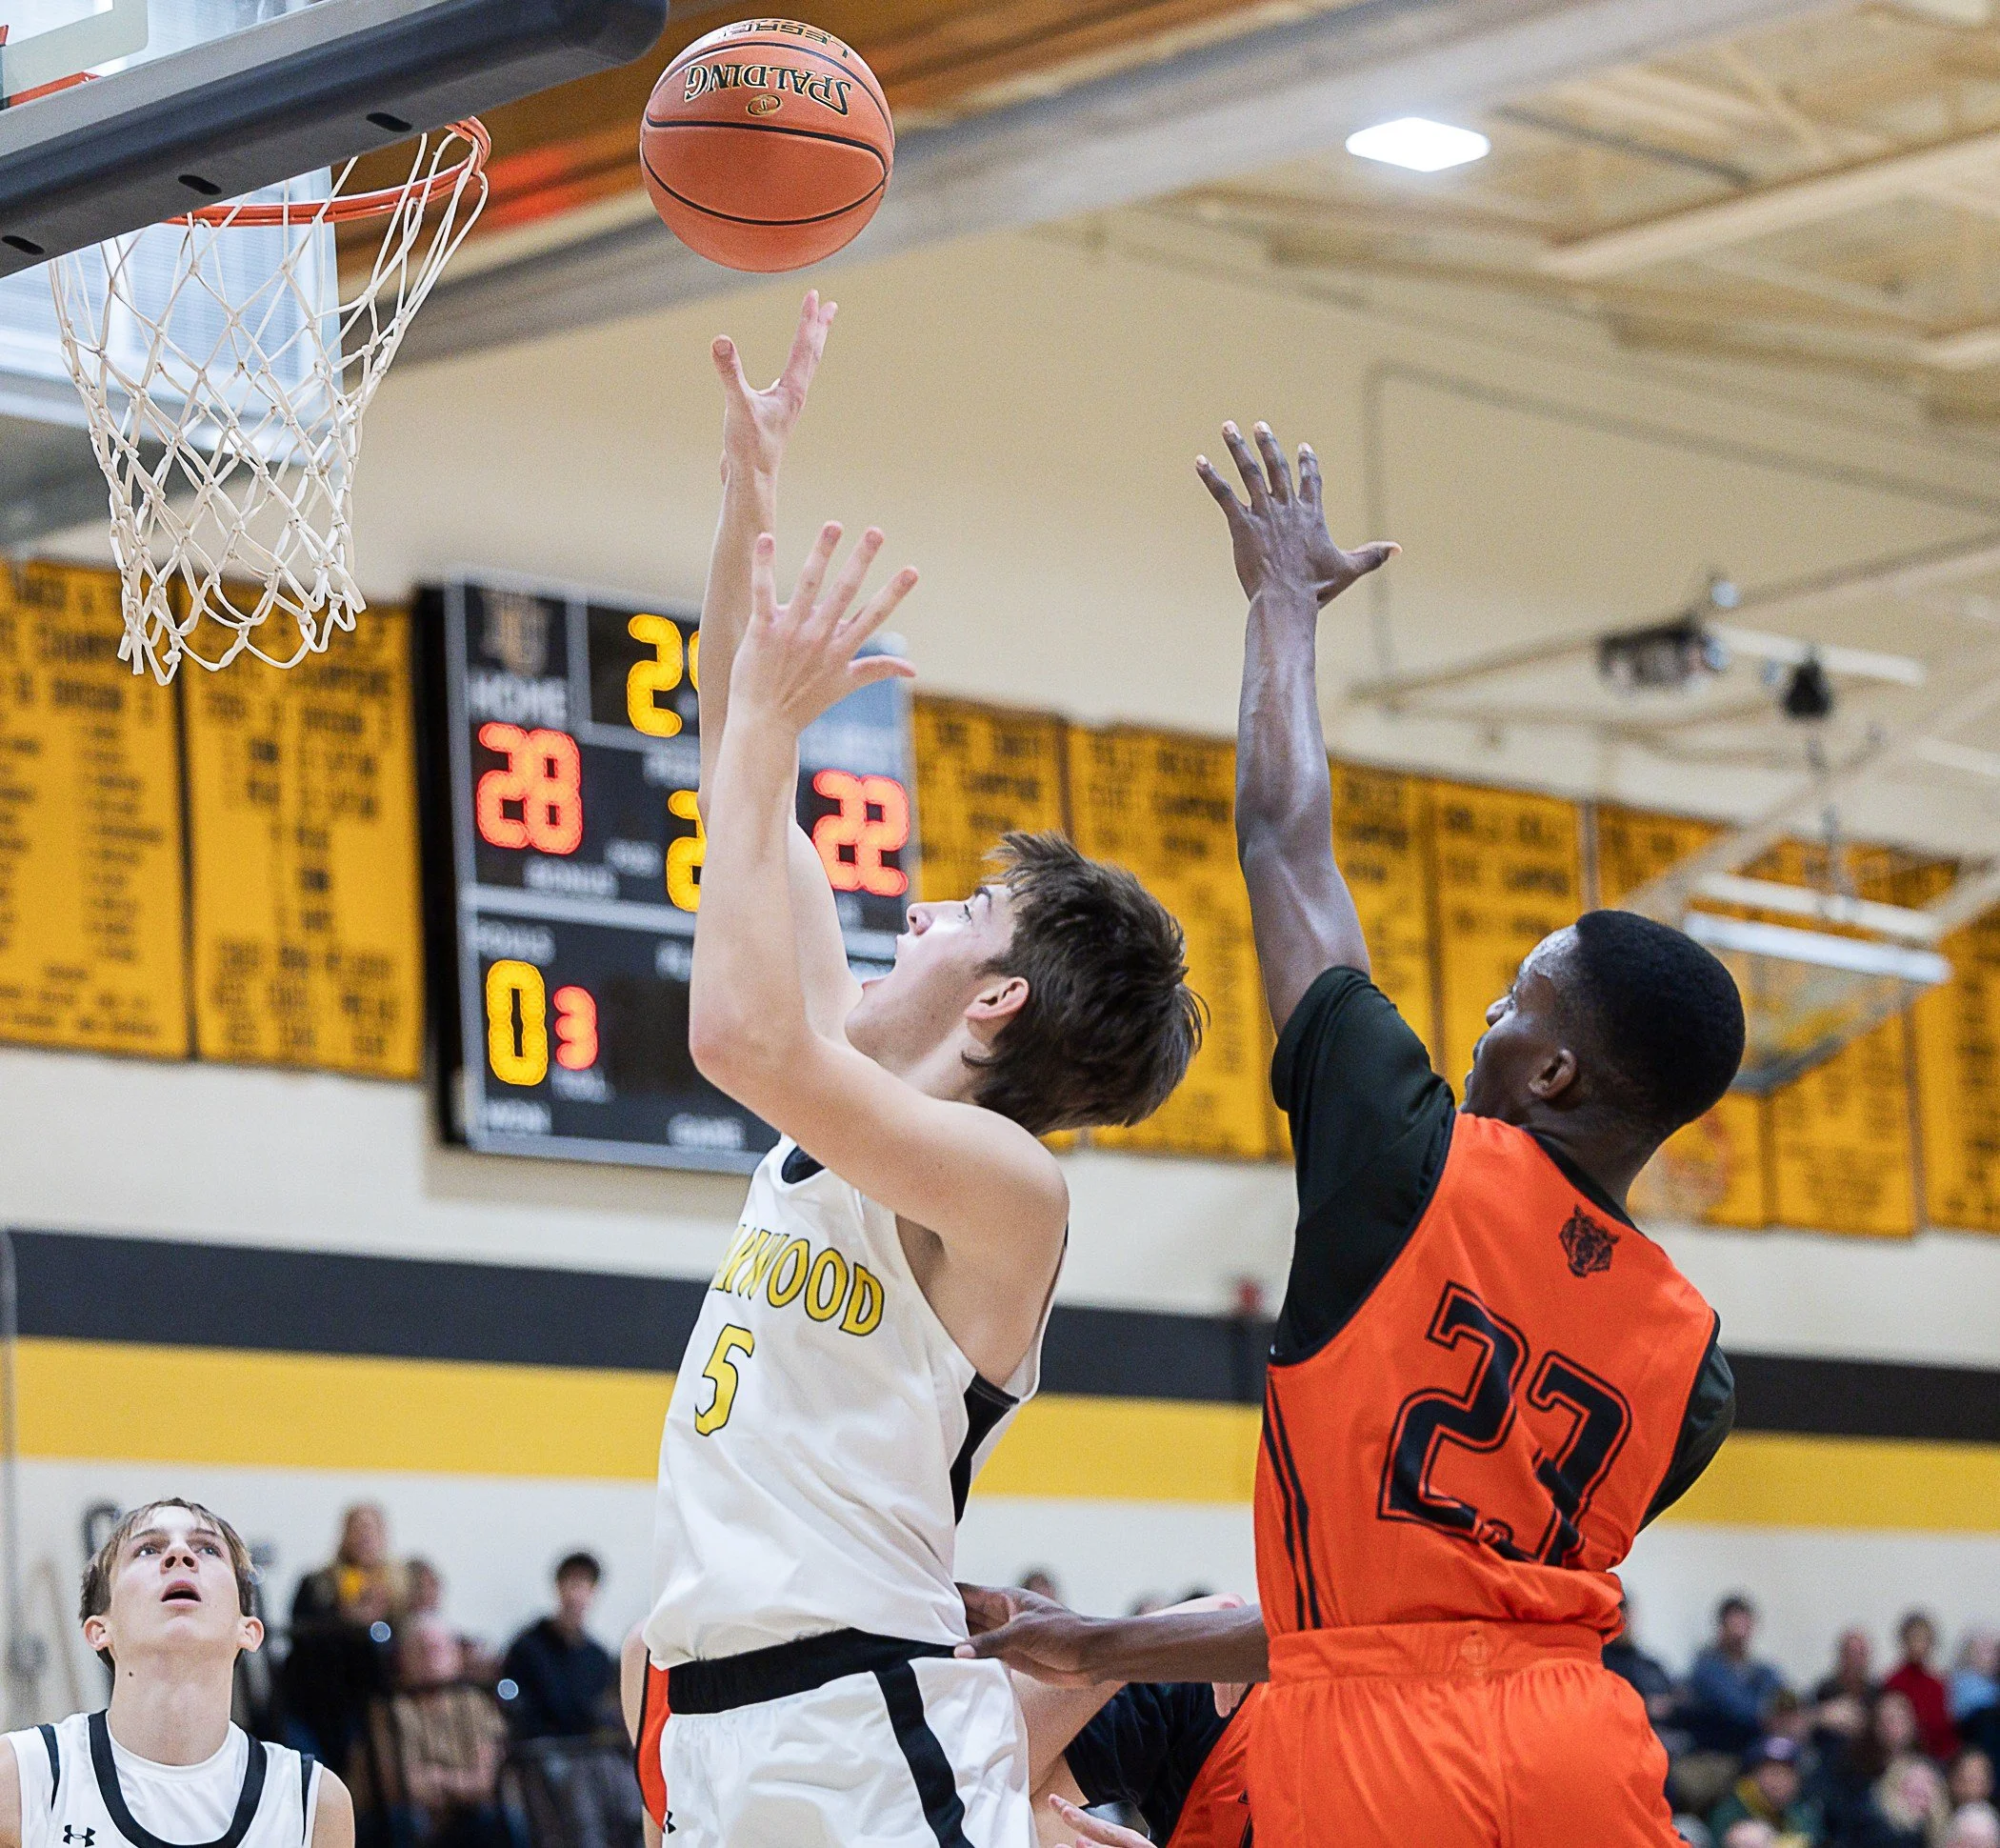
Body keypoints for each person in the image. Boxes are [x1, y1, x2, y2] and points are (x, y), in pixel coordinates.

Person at [964, 418, 1745, 1848]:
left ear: (1557, 1072)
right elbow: (1416, 1620)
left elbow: (1284, 841)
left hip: (1380, 1761)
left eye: (1515, 1001)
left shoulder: (1408, 1153)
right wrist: (1099, 1647)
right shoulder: (1696, 1371)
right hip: (1582, 1748)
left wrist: (1280, 610)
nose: (1486, 1026)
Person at [636, 293, 1202, 1848]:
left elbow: (731, 1039)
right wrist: (751, 483)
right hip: (722, 1726)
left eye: (966, 909)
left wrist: (763, 726)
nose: (920, 903)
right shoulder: (842, 1061)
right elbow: (725, 742)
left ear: (1003, 997)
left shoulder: (1011, 1190)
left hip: (860, 1725)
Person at [0, 1498, 353, 1848]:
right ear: (99, 1630)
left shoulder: (313, 1802)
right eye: (147, 1550)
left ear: (248, 1630)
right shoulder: (20, 1777)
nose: (181, 1555)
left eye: (209, 1550)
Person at [356, 1618, 512, 1848]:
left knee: (503, 1818)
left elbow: (486, 1779)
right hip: (408, 1815)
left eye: (437, 1648)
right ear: (403, 1658)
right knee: (403, 1822)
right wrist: (460, 1782)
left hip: (468, 1812)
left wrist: (439, 1781)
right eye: (421, 1649)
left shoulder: (475, 1703)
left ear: (455, 1654)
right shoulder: (389, 1709)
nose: (430, 1656)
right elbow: (400, 1784)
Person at [286, 1505, 403, 1765]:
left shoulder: (398, 1589)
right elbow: (300, 1633)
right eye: (357, 1528)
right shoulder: (317, 1584)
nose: (364, 1537)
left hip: (370, 1706)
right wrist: (347, 1620)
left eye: (371, 1529)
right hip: (314, 1701)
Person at [500, 1555, 619, 1739]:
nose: (576, 1594)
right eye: (572, 1583)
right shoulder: (527, 1648)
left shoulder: (598, 1657)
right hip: (540, 1749)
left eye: (584, 1584)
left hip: (586, 1749)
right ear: (558, 1586)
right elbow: (515, 1707)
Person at [1687, 1597, 1790, 1757]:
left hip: (1755, 1750)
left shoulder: (1762, 1670)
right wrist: (1772, 1715)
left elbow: (1784, 1699)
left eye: (1745, 1625)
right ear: (1722, 1627)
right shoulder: (1707, 1668)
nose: (1740, 1633)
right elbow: (1738, 1709)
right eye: (1734, 1625)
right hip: (1720, 1753)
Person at [1708, 1738, 1823, 1845]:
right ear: (1753, 1775)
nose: (1778, 1781)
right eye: (1772, 1772)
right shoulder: (1730, 1810)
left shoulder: (1803, 1809)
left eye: (1786, 1773)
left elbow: (1812, 1839)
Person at [1885, 1614, 1959, 1762]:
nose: (1918, 1644)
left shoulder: (1939, 1683)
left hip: (1940, 1757)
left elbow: (1946, 1726)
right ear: (1904, 1641)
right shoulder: (1893, 1681)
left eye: (1924, 1639)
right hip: (1904, 1756)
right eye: (1914, 1638)